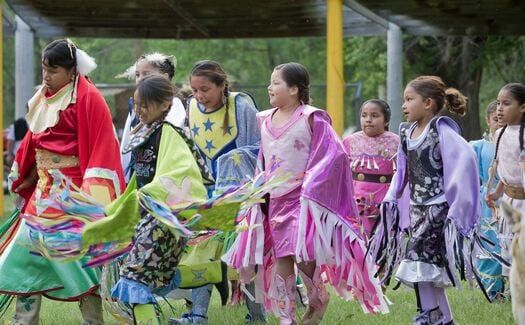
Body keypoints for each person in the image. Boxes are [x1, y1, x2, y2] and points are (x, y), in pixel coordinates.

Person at [224, 62, 388, 325]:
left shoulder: (312, 117)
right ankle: (285, 316)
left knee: (302, 256)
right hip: (275, 198)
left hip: (304, 199)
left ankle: (317, 298)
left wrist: (312, 183)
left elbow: (333, 155)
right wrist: (257, 187)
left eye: (276, 82)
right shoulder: (264, 119)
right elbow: (263, 158)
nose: (270, 87)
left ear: (293, 89)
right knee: (282, 256)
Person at [0, 39, 125, 325]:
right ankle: (24, 319)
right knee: (25, 256)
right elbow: (34, 143)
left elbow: (103, 146)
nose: (46, 76)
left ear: (72, 71)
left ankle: (93, 321)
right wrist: (25, 176)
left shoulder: (88, 97)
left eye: (53, 70)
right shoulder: (44, 97)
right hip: (43, 194)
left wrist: (94, 199)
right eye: (44, 69)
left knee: (79, 262)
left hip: (74, 196)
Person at [374, 76, 479, 325]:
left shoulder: (440, 130)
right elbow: (402, 169)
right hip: (417, 209)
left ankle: (429, 314)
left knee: (417, 258)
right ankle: (443, 319)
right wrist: (392, 196)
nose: (404, 105)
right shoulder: (406, 132)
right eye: (404, 100)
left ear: (428, 103)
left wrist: (457, 202)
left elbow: (466, 158)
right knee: (428, 267)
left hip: (438, 208)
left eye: (410, 99)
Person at [171, 60, 264, 325]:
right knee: (203, 252)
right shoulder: (191, 108)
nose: (199, 96)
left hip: (240, 195)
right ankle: (198, 315)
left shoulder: (241, 107)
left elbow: (259, 148)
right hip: (207, 194)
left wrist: (233, 161)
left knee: (246, 256)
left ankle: (257, 316)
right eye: (194, 90)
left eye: (205, 89)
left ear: (222, 86)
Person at [119, 53, 187, 182]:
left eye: (146, 74)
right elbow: (125, 148)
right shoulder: (135, 109)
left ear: (165, 77)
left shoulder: (173, 105)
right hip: (137, 177)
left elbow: (171, 143)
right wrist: (122, 179)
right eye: (137, 74)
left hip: (163, 177)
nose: (140, 79)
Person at [486, 83, 525, 301]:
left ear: (523, 107)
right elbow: (503, 169)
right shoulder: (500, 133)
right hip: (509, 201)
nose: (500, 108)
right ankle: (513, 291)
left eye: (506, 103)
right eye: (499, 103)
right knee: (508, 246)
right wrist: (495, 192)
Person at [342, 99, 399, 239]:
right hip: (356, 198)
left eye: (374, 116)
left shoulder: (396, 142)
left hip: (384, 198)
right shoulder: (350, 141)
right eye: (364, 115)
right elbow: (340, 171)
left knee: (382, 238)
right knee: (358, 239)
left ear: (386, 121)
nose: (368, 120)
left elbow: (403, 172)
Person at [470, 101, 504, 301]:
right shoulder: (479, 146)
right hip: (487, 203)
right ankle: (493, 290)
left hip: (511, 199)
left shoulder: (517, 143)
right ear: (487, 121)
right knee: (489, 245)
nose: (499, 123)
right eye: (495, 119)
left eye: (502, 119)